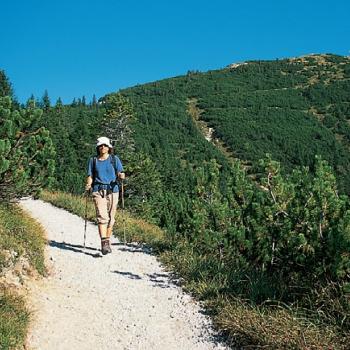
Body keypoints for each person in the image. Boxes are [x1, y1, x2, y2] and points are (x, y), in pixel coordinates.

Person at [85, 136, 125, 255]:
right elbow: (90, 175)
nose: (103, 147)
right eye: (101, 146)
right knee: (102, 216)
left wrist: (121, 175)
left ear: (109, 147)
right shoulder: (93, 160)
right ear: (98, 148)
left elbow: (120, 172)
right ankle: (104, 243)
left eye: (105, 145)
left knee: (111, 218)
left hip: (113, 190)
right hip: (98, 190)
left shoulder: (114, 159)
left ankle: (106, 242)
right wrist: (88, 184)